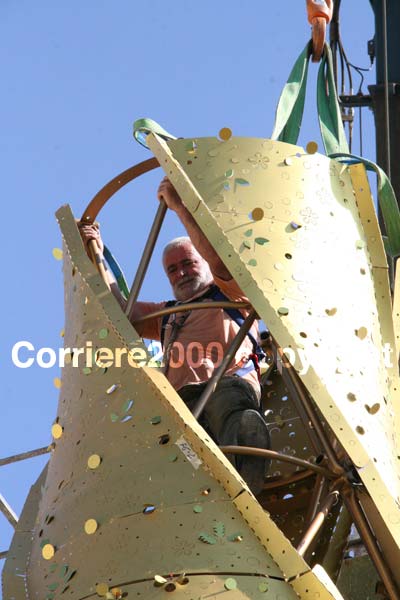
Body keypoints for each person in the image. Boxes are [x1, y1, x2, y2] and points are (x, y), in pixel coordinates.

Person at [79, 177, 270, 494]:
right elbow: (118, 310)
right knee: (185, 447)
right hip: (183, 400)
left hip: (229, 383)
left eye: (188, 263)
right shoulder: (167, 316)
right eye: (173, 269)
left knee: (231, 408)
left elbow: (218, 259)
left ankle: (246, 466)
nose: (181, 273)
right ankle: (206, 492)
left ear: (203, 265)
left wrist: (179, 207)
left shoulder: (232, 292)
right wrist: (94, 252)